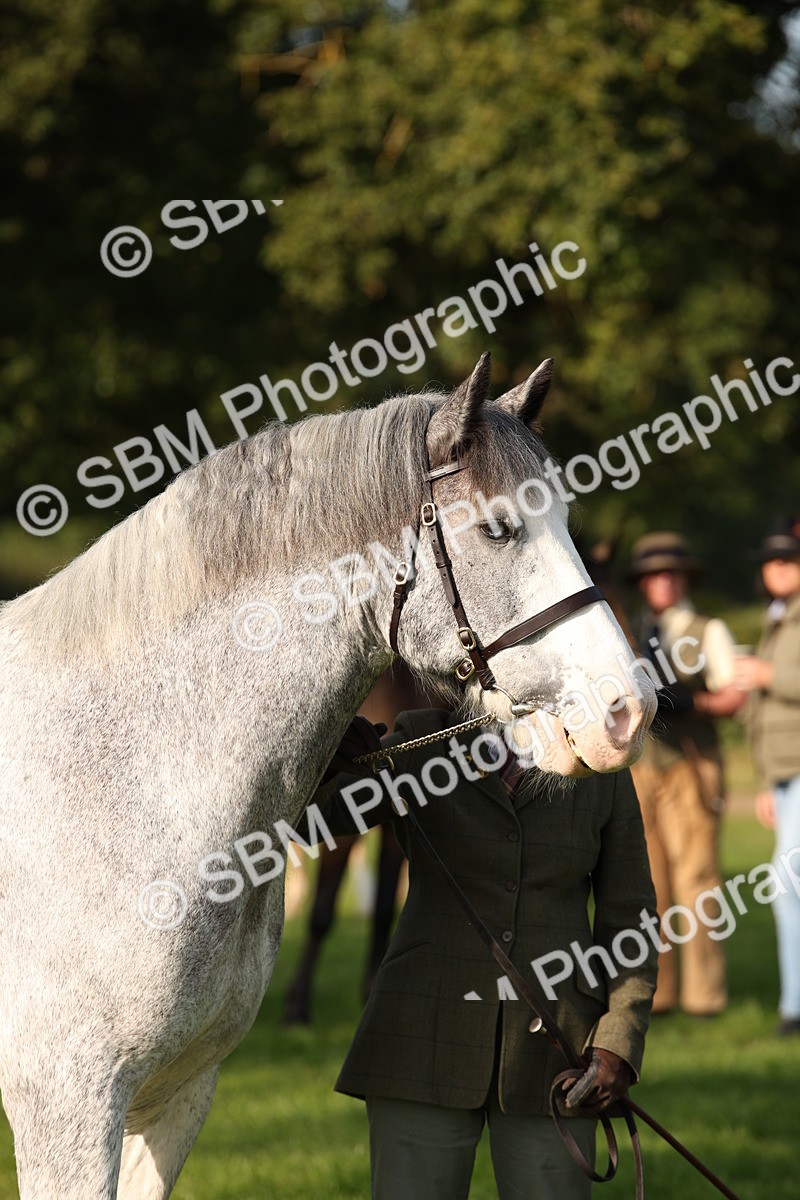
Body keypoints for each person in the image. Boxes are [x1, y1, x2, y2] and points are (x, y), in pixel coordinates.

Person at [307, 708, 658, 1200]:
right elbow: (313, 821)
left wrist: (620, 1039)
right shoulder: (423, 738)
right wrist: (324, 751)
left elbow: (631, 916)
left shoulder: (598, 752)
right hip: (419, 1035)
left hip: (560, 1054)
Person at [627, 532, 744, 1017]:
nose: (662, 581)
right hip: (644, 767)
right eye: (653, 574)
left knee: (697, 879)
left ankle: (705, 996)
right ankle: (660, 993)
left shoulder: (707, 629)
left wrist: (692, 702)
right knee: (649, 883)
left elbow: (733, 696)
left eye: (669, 573)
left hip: (692, 765)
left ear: (683, 578)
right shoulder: (631, 628)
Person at [734, 517, 800, 1037]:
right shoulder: (777, 618)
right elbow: (761, 715)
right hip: (783, 772)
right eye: (771, 561)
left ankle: (794, 1006)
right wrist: (764, 782)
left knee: (785, 882)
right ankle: (793, 1004)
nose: (777, 568)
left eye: (787, 560)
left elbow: (777, 687)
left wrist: (765, 675)